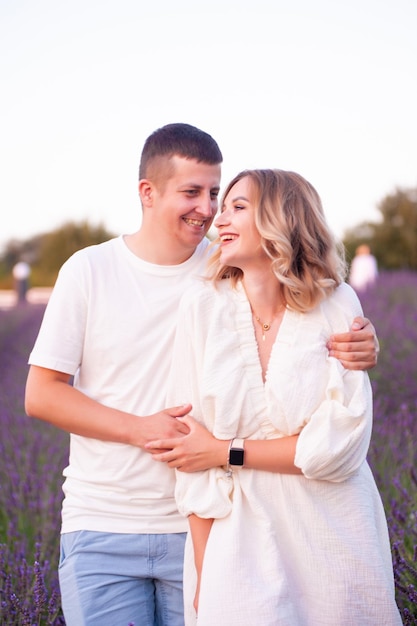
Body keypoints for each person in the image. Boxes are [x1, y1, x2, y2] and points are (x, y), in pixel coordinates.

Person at [25, 125, 379, 626]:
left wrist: (364, 342)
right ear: (147, 192)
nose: (208, 208)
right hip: (104, 521)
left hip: (211, 525)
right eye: (191, 192)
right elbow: (41, 395)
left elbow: (304, 300)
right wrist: (141, 427)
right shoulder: (89, 270)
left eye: (216, 193)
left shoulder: (227, 268)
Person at [148, 169, 401, 625]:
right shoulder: (201, 306)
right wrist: (206, 575)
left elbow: (337, 449)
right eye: (222, 207)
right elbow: (190, 459)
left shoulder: (338, 303)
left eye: (237, 206)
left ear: (280, 218)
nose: (218, 218)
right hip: (237, 539)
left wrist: (224, 450)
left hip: (335, 537)